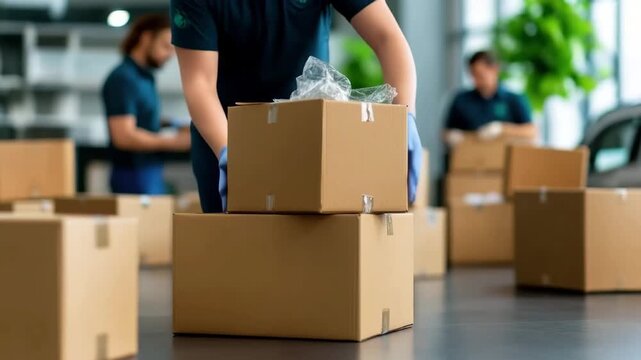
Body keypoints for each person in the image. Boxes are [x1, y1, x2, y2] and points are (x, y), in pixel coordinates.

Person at [170, 0, 422, 213]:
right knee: (236, 258)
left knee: (313, 258)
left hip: (310, 134)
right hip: (225, 135)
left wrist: (404, 118)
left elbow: (387, 38)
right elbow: (199, 84)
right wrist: (229, 152)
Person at [102, 14, 191, 195]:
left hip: (150, 170)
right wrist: (176, 142)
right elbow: (124, 136)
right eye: (165, 46)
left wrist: (174, 124)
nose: (170, 55)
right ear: (146, 38)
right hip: (132, 174)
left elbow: (142, 119)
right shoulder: (124, 78)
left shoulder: (145, 78)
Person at [444, 50, 536, 146]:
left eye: (481, 75)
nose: (476, 80)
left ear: (495, 69)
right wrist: (452, 136)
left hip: (503, 156)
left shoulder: (514, 100)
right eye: (473, 75)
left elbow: (531, 132)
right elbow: (446, 131)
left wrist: (501, 129)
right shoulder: (461, 100)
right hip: (471, 156)